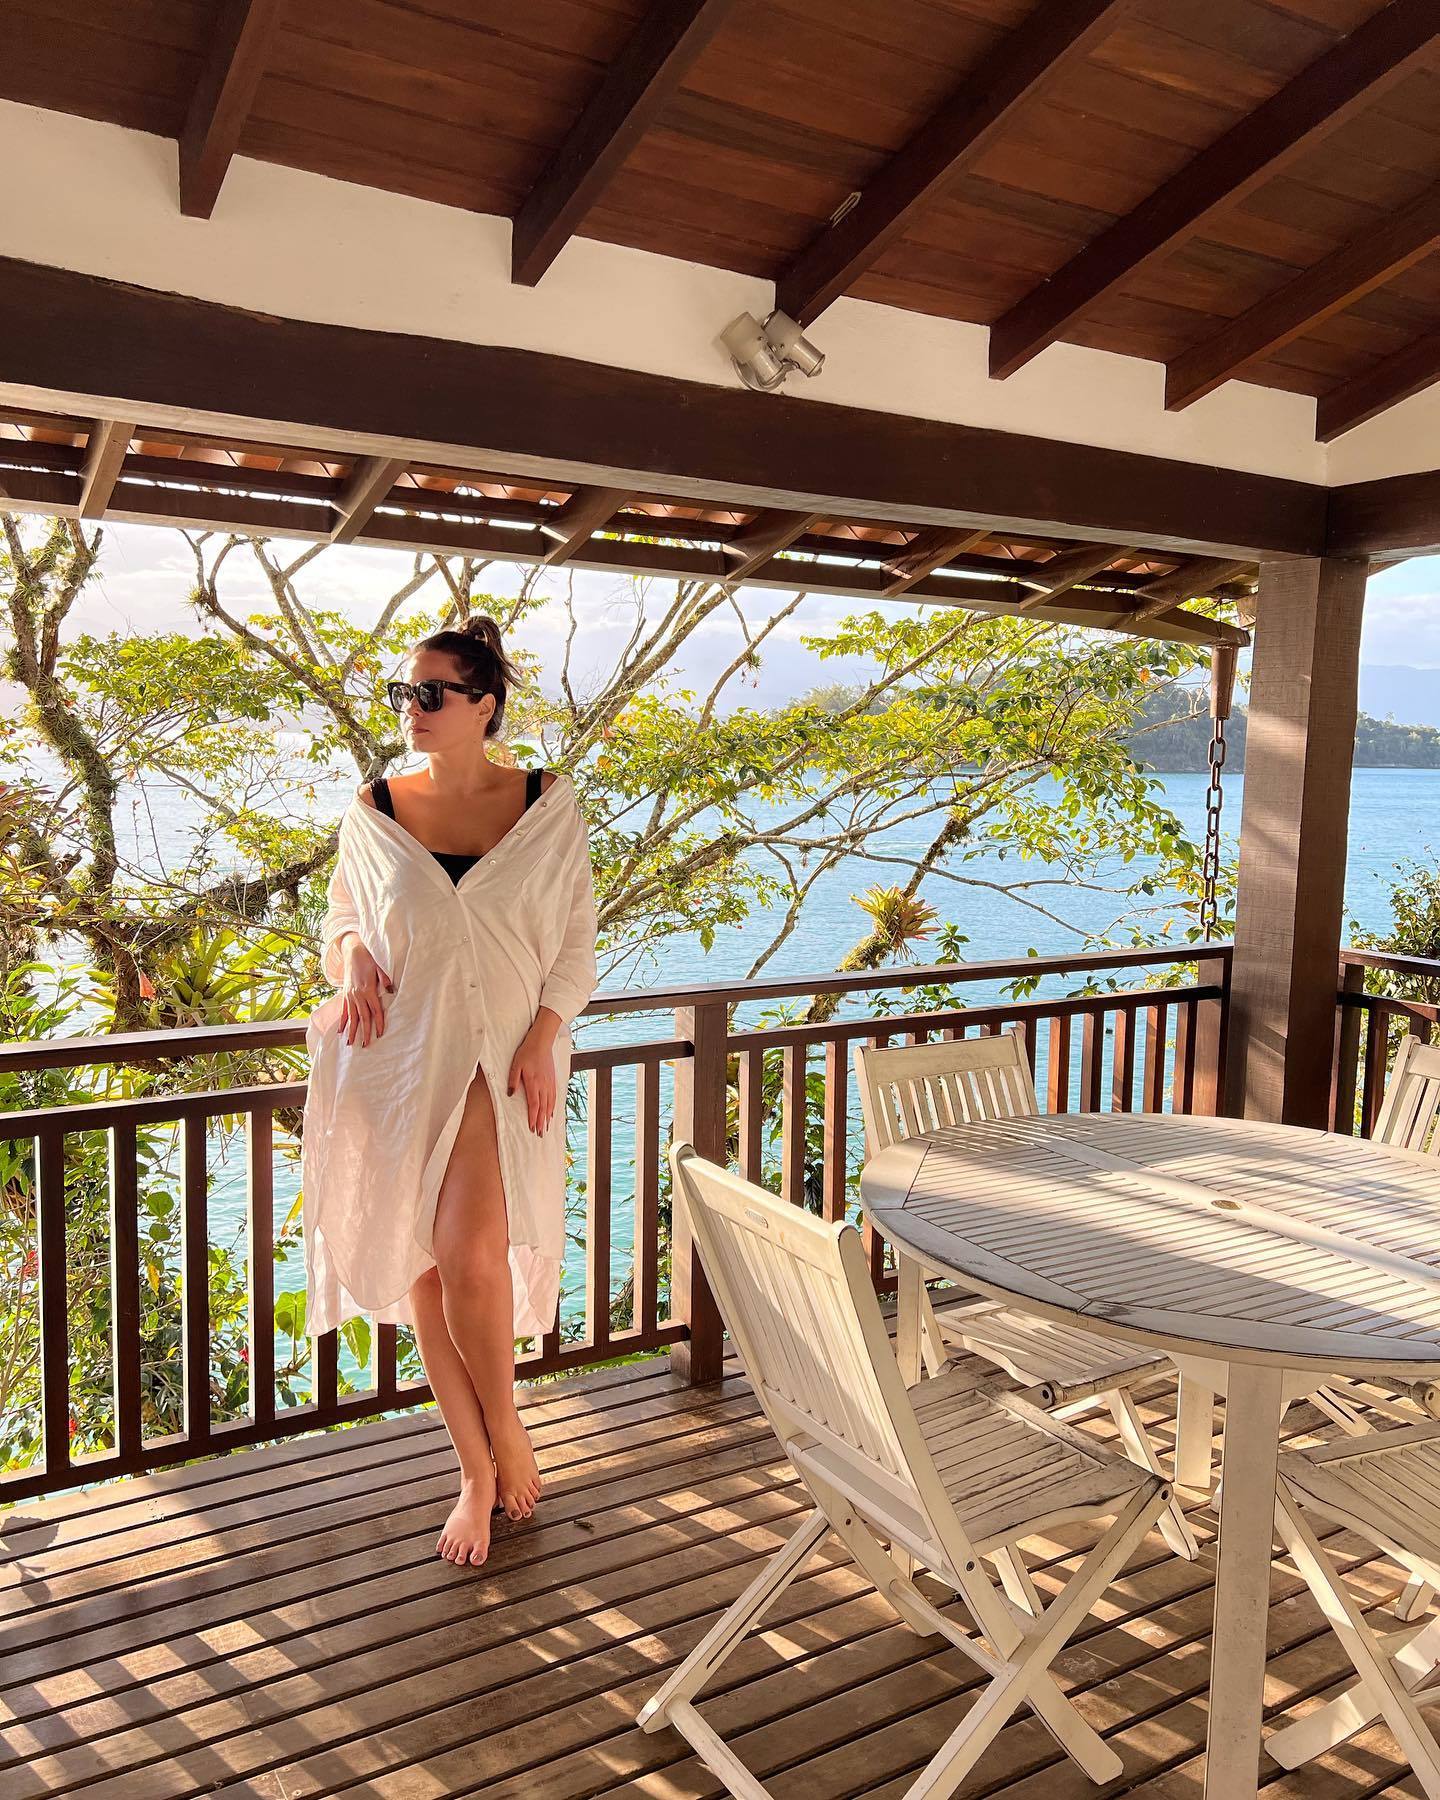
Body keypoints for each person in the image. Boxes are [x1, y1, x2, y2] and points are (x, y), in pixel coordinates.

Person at [301, 615, 598, 1568]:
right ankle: (479, 1465)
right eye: (405, 692)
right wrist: (352, 957)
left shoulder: (547, 805)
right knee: (427, 1270)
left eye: (432, 693)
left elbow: (575, 942)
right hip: (396, 1063)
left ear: (484, 706)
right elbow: (342, 921)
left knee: (471, 1259)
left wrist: (546, 1033)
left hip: (501, 1064)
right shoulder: (376, 806)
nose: (412, 709)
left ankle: (503, 1433)